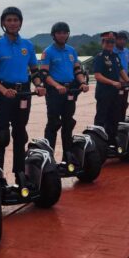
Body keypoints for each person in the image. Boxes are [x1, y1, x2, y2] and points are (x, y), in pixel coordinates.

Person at [0, 6, 45, 181]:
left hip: (23, 93)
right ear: (3, 23)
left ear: (20, 23)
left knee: (20, 133)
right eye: (8, 20)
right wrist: (4, 91)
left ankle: (19, 173)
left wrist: (39, 85)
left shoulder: (28, 45)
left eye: (15, 20)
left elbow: (35, 72)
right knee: (2, 135)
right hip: (3, 94)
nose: (12, 23)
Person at [40, 22, 89, 160]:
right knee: (53, 124)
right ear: (54, 35)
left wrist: (83, 82)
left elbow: (77, 70)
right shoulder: (48, 52)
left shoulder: (71, 51)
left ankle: (68, 157)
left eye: (65, 32)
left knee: (68, 124)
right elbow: (44, 73)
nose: (62, 35)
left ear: (68, 34)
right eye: (59, 32)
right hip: (55, 92)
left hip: (70, 91)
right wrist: (56, 86)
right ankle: (48, 158)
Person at [93, 31, 129, 145]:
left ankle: (111, 141)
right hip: (104, 92)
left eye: (112, 42)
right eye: (108, 42)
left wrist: (128, 81)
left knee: (114, 117)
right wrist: (112, 82)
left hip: (115, 92)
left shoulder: (115, 56)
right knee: (101, 118)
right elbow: (97, 75)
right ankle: (98, 142)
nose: (110, 44)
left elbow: (121, 70)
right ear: (102, 42)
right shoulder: (100, 57)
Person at [113, 31, 129, 123]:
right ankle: (114, 126)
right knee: (115, 106)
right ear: (115, 40)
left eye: (124, 40)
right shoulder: (112, 51)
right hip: (115, 83)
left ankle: (122, 125)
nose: (122, 41)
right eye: (120, 39)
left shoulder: (127, 51)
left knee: (124, 104)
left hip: (126, 83)